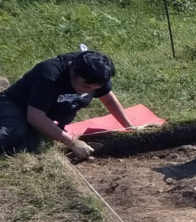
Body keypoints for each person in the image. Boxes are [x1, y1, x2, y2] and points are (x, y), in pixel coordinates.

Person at [0, 50, 134, 160]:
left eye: (94, 89)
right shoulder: (49, 74)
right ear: (73, 71)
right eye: (86, 86)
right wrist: (72, 142)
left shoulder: (98, 75)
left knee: (32, 143)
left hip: (48, 111)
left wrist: (130, 128)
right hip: (17, 104)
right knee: (10, 136)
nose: (88, 91)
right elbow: (35, 116)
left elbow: (109, 100)